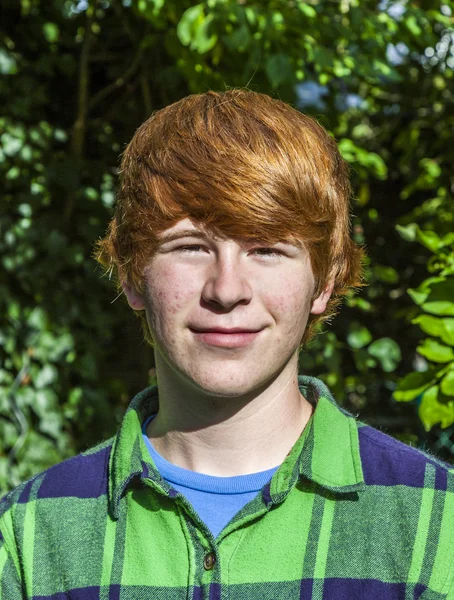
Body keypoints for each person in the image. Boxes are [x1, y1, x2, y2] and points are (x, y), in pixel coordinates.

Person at [1, 89, 453, 600]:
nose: (226, 289)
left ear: (324, 282)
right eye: (191, 247)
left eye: (266, 249)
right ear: (131, 274)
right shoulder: (27, 535)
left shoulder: (438, 524)